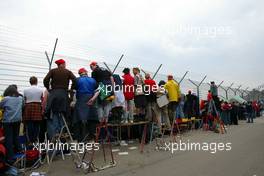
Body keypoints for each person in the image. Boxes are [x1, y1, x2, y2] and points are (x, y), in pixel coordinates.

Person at [43, 59, 76, 139]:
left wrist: (48, 88)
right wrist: (71, 89)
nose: (65, 65)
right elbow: (75, 80)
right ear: (63, 64)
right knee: (63, 114)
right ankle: (62, 133)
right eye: (64, 64)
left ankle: (55, 134)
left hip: (54, 95)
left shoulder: (53, 71)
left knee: (54, 113)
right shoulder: (68, 72)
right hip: (64, 94)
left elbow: (45, 80)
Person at [73, 68, 99, 142]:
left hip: (81, 101)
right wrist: (92, 99)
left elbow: (74, 92)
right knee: (91, 119)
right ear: (86, 73)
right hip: (91, 100)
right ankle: (92, 139)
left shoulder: (77, 80)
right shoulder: (93, 80)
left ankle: (81, 139)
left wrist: (73, 102)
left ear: (80, 74)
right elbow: (98, 91)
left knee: (78, 119)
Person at [0, 85, 23, 164]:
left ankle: (10, 157)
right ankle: (20, 151)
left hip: (8, 121)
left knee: (8, 138)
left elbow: (1, 107)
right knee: (16, 136)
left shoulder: (6, 99)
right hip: (17, 120)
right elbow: (22, 106)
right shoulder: (20, 98)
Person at [23, 76, 44, 143]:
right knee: (37, 124)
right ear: (36, 82)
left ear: (30, 82)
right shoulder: (40, 90)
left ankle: (30, 140)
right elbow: (42, 100)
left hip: (28, 106)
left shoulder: (25, 90)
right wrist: (43, 109)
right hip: (37, 106)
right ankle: (35, 139)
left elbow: (25, 100)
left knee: (29, 123)